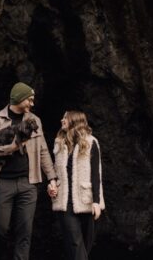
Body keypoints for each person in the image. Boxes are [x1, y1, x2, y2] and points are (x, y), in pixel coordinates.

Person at [0, 82, 59, 260]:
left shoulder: (34, 120)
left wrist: (52, 178)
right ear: (19, 99)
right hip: (3, 182)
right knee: (0, 229)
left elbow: (43, 150)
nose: (32, 103)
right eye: (29, 100)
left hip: (28, 183)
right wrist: (11, 148)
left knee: (25, 231)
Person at [51, 110, 105, 260]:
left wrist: (96, 201)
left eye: (65, 118)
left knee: (84, 244)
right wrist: (52, 185)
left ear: (74, 121)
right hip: (64, 201)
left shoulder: (91, 142)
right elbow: (55, 171)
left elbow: (96, 173)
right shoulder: (59, 143)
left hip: (86, 199)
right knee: (75, 242)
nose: (62, 120)